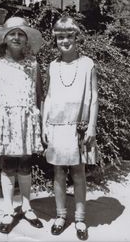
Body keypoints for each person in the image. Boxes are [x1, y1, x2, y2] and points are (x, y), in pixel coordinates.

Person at [0, 17, 44, 234]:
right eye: (12, 33)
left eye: (21, 34)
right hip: (5, 122)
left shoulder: (33, 65)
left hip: (27, 121)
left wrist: (42, 124)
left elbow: (40, 96)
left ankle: (27, 206)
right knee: (8, 164)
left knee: (26, 164)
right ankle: (8, 209)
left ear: (26, 38)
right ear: (5, 38)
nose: (17, 37)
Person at [42, 16, 98, 240]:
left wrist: (92, 125)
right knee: (58, 172)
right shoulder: (52, 66)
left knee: (78, 173)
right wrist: (44, 124)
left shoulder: (87, 64)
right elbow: (48, 96)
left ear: (77, 37)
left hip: (79, 126)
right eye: (60, 37)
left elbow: (94, 96)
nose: (65, 41)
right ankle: (60, 216)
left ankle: (80, 219)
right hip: (56, 125)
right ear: (56, 40)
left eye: (69, 36)